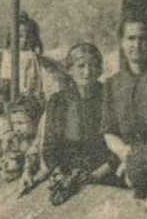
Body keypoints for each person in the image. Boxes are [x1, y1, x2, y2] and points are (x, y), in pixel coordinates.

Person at [35, 41, 114, 203]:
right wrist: (58, 173)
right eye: (81, 66)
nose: (87, 72)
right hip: (67, 174)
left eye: (93, 65)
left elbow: (119, 145)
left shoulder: (111, 98)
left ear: (100, 69)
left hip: (104, 175)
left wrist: (96, 175)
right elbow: (50, 146)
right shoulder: (58, 101)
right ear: (70, 70)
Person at [102, 13, 147, 173]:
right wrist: (125, 153)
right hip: (125, 158)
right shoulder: (113, 83)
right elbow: (109, 130)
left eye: (143, 38)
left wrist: (142, 158)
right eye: (131, 38)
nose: (137, 45)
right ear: (122, 42)